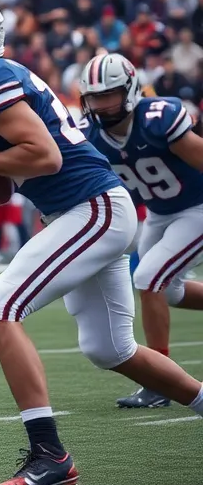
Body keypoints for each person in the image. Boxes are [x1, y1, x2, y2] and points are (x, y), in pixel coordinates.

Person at [0, 0, 203, 485]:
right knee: (110, 349)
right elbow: (18, 169)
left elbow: (43, 157)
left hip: (89, 209)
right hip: (83, 210)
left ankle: (50, 455)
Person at [78, 53, 203, 409]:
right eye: (94, 97)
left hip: (196, 207)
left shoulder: (157, 118)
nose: (101, 105)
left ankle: (160, 384)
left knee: (149, 278)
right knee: (170, 291)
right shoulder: (90, 135)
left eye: (109, 95)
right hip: (161, 213)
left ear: (131, 89)